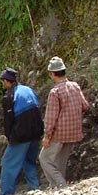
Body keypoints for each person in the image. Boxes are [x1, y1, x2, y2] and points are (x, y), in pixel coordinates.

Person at [39, 56, 90, 187]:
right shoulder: (75, 86)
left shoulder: (55, 92)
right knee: (61, 160)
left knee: (44, 158)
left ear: (52, 74)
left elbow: (51, 117)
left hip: (59, 133)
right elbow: (85, 106)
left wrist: (47, 136)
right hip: (74, 131)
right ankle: (58, 188)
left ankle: (60, 184)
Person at [0, 67, 43, 195]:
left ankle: (6, 193)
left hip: (21, 135)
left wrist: (9, 137)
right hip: (36, 132)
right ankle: (34, 188)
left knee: (7, 163)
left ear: (6, 81)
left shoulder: (9, 96)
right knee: (29, 160)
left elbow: (8, 120)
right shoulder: (28, 90)